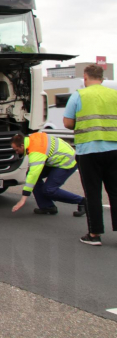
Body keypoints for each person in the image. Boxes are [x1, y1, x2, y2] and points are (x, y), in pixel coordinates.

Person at [63, 64, 117, 246]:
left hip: (88, 152)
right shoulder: (114, 94)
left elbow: (68, 123)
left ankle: (94, 234)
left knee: (93, 193)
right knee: (115, 192)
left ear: (85, 78)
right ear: (102, 78)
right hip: (114, 150)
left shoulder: (79, 95)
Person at [9, 132, 86, 216]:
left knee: (49, 189)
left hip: (68, 161)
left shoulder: (36, 151)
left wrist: (23, 199)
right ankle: (47, 206)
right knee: (35, 178)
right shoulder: (32, 138)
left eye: (16, 149)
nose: (16, 152)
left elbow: (33, 175)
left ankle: (83, 201)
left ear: (22, 146)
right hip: (57, 158)